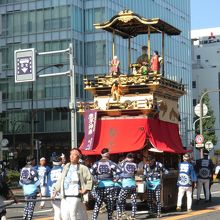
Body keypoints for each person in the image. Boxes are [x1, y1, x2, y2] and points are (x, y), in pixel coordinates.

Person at [53, 148, 93, 220]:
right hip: (65, 195)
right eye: (70, 154)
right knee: (65, 216)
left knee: (72, 215)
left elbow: (90, 180)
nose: (71, 156)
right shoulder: (66, 166)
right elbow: (61, 179)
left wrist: (85, 189)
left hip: (75, 195)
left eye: (74, 155)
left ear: (78, 157)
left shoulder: (83, 168)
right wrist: (55, 190)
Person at [90, 148, 122, 220]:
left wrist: (95, 180)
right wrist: (116, 180)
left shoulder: (96, 164)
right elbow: (119, 171)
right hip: (110, 186)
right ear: (108, 154)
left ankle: (94, 219)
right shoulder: (111, 163)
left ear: (101, 154)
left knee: (97, 204)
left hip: (100, 185)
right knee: (110, 205)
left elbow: (90, 172)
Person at [19, 155, 41, 220]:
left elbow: (20, 182)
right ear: (32, 161)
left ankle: (24, 218)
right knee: (31, 208)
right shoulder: (33, 170)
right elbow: (36, 181)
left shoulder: (22, 169)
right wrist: (39, 191)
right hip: (32, 190)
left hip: (25, 190)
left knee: (26, 206)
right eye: (34, 160)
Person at [117, 153, 137, 220]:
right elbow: (135, 173)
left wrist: (124, 160)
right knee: (134, 201)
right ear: (133, 158)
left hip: (125, 185)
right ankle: (133, 216)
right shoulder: (135, 164)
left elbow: (117, 166)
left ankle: (119, 216)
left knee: (119, 200)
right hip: (133, 185)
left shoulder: (123, 164)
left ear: (126, 158)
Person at [47, 156, 63, 220]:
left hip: (52, 192)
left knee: (56, 211)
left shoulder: (50, 172)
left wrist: (49, 193)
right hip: (61, 192)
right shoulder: (63, 170)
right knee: (63, 211)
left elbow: (48, 183)